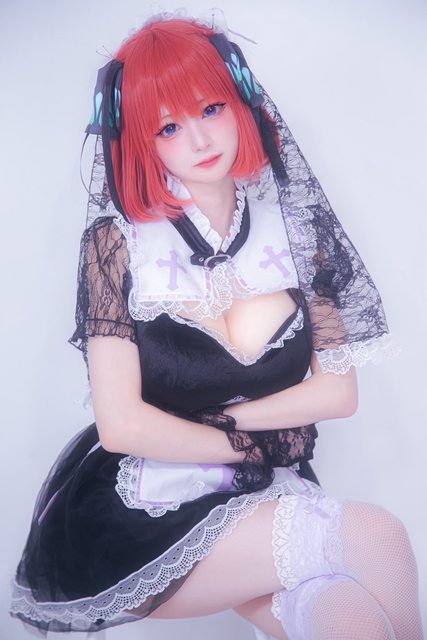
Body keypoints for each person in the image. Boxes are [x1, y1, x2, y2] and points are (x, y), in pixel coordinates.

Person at [10, 13, 423, 640]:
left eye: (210, 109)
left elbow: (337, 392)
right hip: (147, 508)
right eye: (169, 127)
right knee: (376, 534)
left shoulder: (295, 230)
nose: (200, 139)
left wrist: (234, 427)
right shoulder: (117, 246)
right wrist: (249, 443)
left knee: (348, 614)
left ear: (241, 103)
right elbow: (122, 425)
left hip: (263, 488)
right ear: (142, 142)